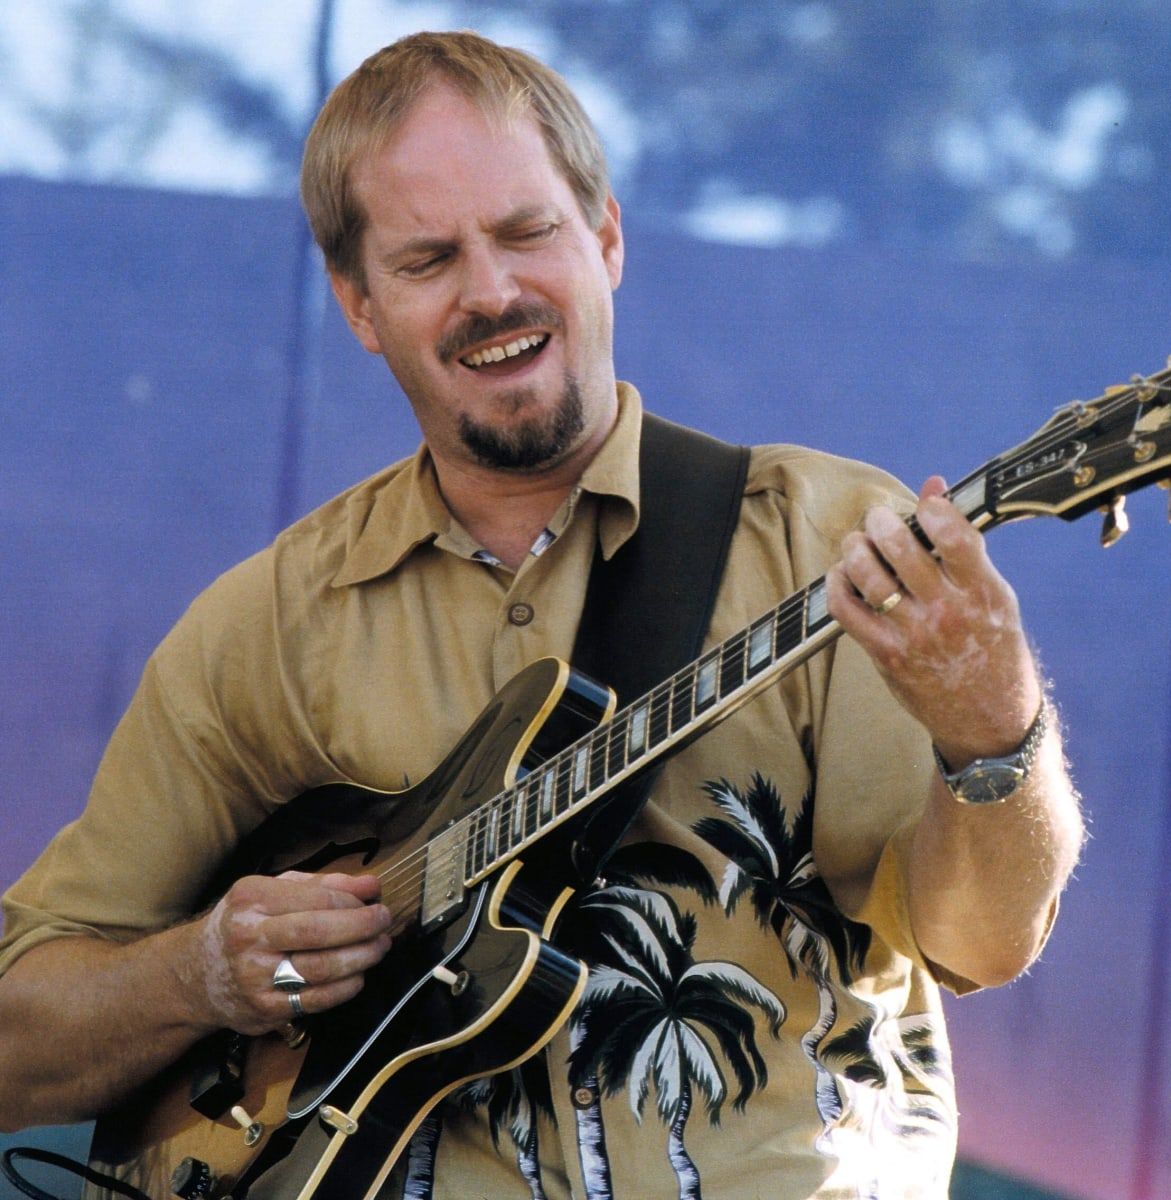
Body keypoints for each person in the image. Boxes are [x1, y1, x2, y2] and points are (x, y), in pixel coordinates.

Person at [0, 30, 1083, 1200]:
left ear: (606, 238)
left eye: (527, 233)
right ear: (359, 307)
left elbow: (983, 941)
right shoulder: (267, 629)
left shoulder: (833, 545)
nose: (493, 291)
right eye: (428, 260)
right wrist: (201, 978)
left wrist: (995, 731)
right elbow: (18, 1043)